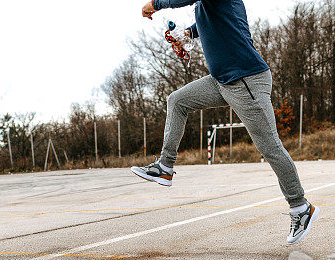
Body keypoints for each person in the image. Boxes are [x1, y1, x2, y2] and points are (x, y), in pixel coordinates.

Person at [131, 0, 318, 245]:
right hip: (222, 80)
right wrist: (187, 34)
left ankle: (300, 206)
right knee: (177, 101)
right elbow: (210, 23)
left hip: (246, 80)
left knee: (270, 147)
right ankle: (165, 167)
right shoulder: (206, 5)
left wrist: (156, 4)